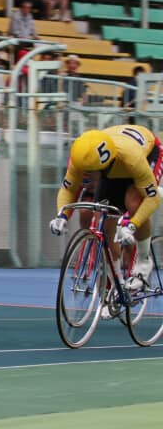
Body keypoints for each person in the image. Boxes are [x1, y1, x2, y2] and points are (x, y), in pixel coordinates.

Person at [49, 127, 163, 309]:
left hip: (145, 154)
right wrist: (62, 215)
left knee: (134, 202)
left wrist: (132, 225)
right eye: (83, 171)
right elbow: (69, 189)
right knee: (104, 222)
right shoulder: (80, 158)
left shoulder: (132, 158)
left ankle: (144, 260)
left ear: (104, 165)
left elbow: (152, 198)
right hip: (111, 168)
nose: (85, 176)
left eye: (89, 172)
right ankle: (117, 286)